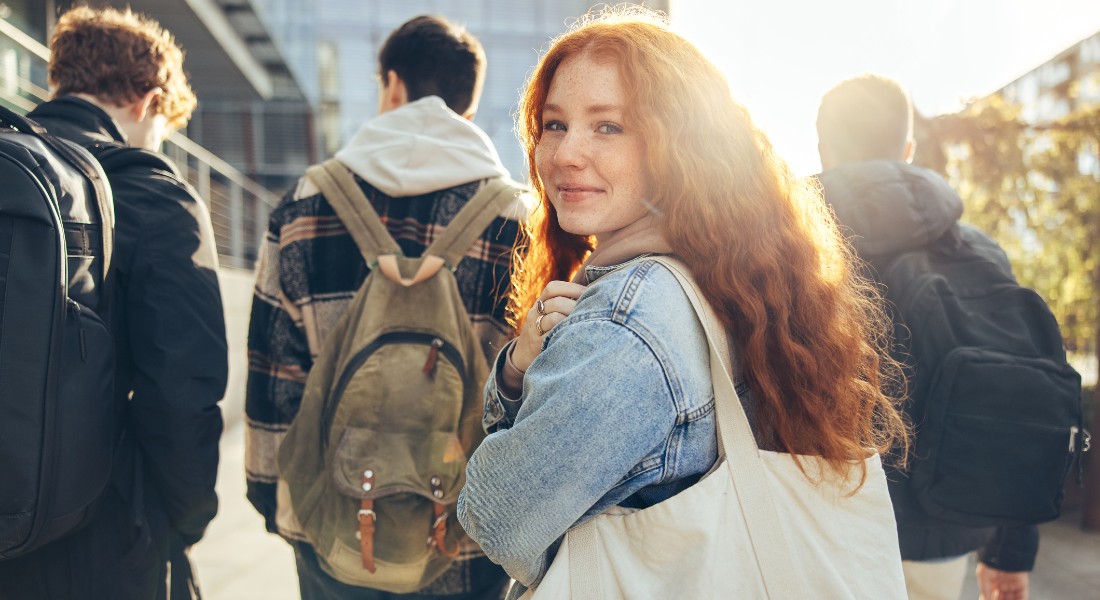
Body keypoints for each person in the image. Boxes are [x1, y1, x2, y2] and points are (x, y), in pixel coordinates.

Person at [456, 7, 908, 597]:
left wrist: (513, 376)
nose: (565, 154)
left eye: (608, 127)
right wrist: (521, 371)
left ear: (680, 146)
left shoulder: (630, 318)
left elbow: (497, 515)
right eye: (554, 124)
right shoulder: (729, 274)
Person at [245, 14, 524, 600]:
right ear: (465, 111)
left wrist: (274, 501)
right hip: (466, 537)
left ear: (392, 86)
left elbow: (274, 376)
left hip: (334, 524)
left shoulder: (304, 205)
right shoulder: (516, 219)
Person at [0, 6, 228, 599]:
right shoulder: (156, 197)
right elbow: (184, 392)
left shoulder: (11, 172)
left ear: (58, 81)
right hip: (103, 535)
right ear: (150, 100)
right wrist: (183, 519)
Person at [815, 74, 1036, 600]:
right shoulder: (979, 251)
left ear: (822, 149)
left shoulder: (785, 250)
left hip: (820, 528)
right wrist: (1009, 550)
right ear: (907, 149)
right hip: (944, 527)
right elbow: (1013, 397)